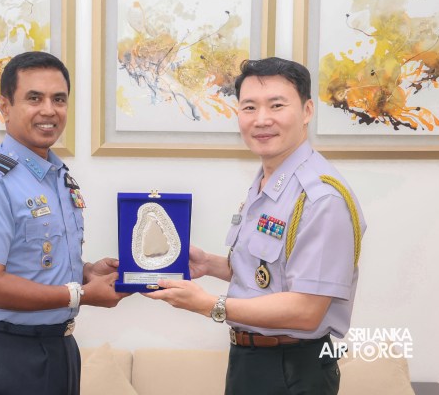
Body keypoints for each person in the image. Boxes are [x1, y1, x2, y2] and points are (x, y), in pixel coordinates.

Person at [145, 57, 366, 395]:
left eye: (276, 105)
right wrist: (211, 265)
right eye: (249, 107)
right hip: (252, 360)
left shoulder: (321, 198)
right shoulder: (270, 181)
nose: (262, 119)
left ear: (307, 111)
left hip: (292, 368)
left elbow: (306, 310)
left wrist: (210, 304)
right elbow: (272, 276)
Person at [0, 51, 126, 395]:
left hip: (60, 348)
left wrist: (86, 272)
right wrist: (80, 294)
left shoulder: (57, 176)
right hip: (11, 354)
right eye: (34, 98)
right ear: (5, 107)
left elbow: (37, 264)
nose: (49, 110)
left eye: (58, 99)